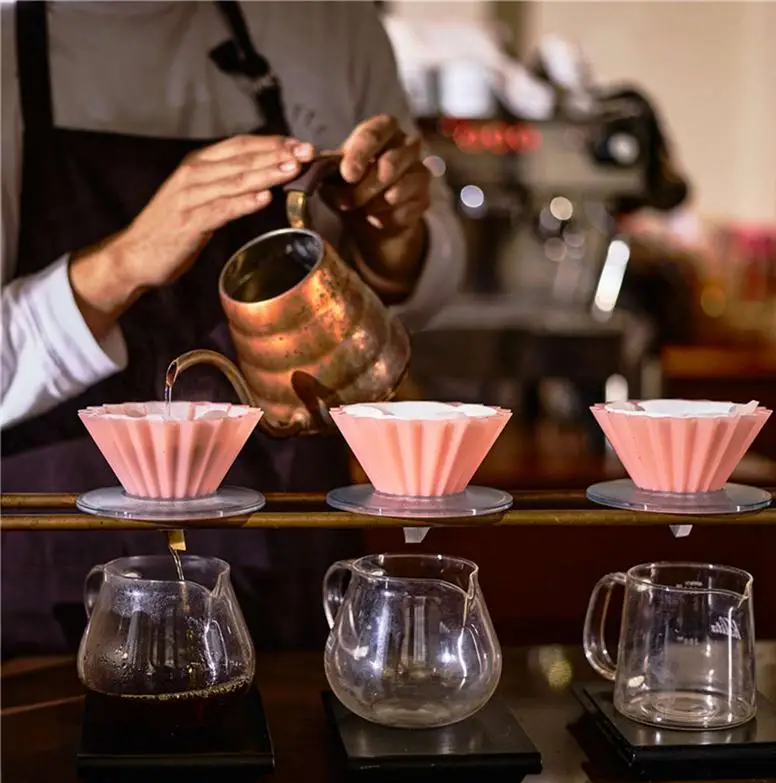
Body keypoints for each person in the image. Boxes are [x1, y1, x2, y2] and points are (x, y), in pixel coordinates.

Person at [0, 0, 466, 656]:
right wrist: (123, 263)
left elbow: (426, 283)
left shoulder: (331, 23)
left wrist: (389, 233)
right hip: (56, 583)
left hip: (292, 547)